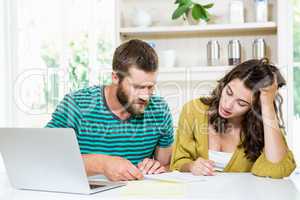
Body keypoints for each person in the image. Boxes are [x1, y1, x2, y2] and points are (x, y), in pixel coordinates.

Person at [46, 39, 174, 181]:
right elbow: (46, 155)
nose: (145, 96)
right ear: (115, 77)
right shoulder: (76, 105)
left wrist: (156, 167)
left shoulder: (160, 111)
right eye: (137, 87)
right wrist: (101, 164)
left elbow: (167, 166)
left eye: (150, 87)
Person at [170, 58, 296, 179]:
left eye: (241, 103)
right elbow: (178, 162)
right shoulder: (193, 110)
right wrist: (191, 166)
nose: (227, 105)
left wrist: (267, 103)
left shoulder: (263, 127)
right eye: (229, 92)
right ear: (225, 83)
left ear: (254, 107)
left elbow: (277, 169)